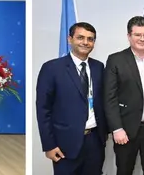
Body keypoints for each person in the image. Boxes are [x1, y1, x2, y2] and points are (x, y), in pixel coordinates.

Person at [36, 23, 107, 175]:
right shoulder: (52, 68)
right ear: (70, 39)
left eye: (90, 39)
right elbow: (43, 109)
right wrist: (49, 145)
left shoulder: (99, 68)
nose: (85, 42)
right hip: (64, 144)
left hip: (94, 141)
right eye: (80, 37)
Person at [104, 16, 144, 175]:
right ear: (129, 36)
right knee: (124, 171)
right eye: (137, 35)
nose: (142, 38)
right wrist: (117, 128)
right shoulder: (115, 60)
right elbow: (109, 97)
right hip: (125, 131)